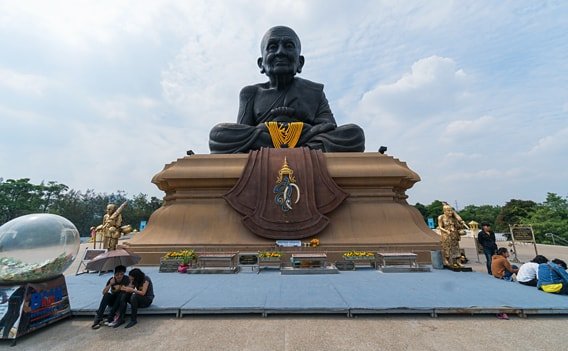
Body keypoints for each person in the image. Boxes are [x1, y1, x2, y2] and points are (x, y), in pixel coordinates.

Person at [209, 26, 365, 153]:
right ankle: (301, 150)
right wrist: (267, 128)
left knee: (354, 134)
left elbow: (329, 127)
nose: (280, 52)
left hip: (287, 141)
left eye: (288, 46)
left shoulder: (313, 91)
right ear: (261, 63)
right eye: (272, 47)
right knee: (219, 134)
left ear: (300, 62)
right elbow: (243, 134)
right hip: (300, 143)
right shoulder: (250, 93)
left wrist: (300, 128)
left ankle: (288, 149)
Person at [91, 265, 130, 329]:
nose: (119, 276)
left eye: (121, 274)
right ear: (114, 274)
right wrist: (110, 284)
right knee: (107, 295)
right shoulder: (112, 280)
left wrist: (120, 287)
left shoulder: (126, 279)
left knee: (121, 294)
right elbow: (104, 292)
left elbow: (129, 290)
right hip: (113, 300)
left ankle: (111, 316)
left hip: (121, 301)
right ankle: (98, 318)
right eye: (117, 274)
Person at [437, 203, 468, 268]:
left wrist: (461, 223)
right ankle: (447, 260)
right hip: (446, 235)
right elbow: (440, 227)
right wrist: (446, 231)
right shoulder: (441, 217)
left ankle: (458, 262)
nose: (450, 212)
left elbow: (458, 226)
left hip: (454, 234)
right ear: (444, 211)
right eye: (448, 211)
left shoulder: (453, 218)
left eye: (451, 210)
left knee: (456, 248)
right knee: (447, 248)